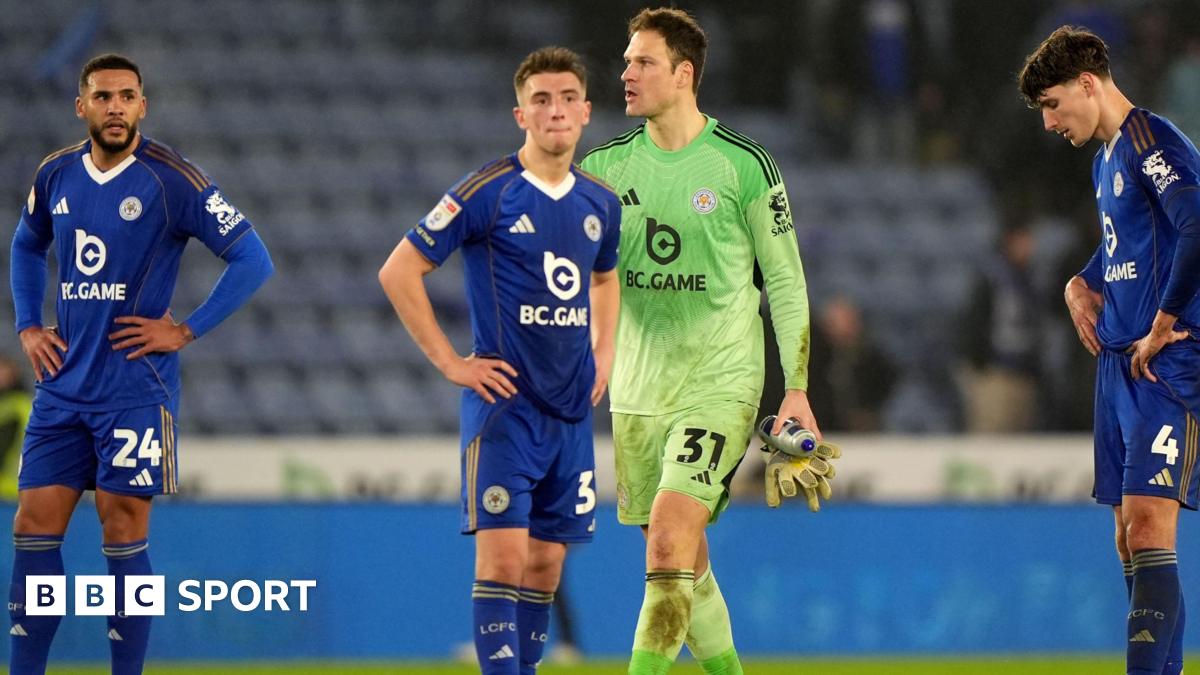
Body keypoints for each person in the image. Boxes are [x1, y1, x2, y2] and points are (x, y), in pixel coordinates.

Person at [7, 54, 274, 674]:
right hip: (62, 388)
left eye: (127, 96)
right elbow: (27, 243)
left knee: (122, 528)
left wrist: (186, 329)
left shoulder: (170, 178)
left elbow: (253, 258)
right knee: (32, 524)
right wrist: (26, 324)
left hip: (134, 388)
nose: (116, 107)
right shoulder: (55, 174)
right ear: (83, 106)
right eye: (103, 97)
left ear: (143, 106)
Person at [580, 8, 827, 674]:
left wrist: (797, 389)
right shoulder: (601, 168)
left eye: (643, 62)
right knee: (684, 560)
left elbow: (786, 279)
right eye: (627, 60)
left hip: (720, 380)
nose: (626, 73)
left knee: (666, 541)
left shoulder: (742, 166)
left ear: (684, 74)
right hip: (636, 390)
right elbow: (586, 277)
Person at [378, 46, 620, 675]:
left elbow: (604, 279)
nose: (556, 110)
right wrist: (451, 362)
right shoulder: (486, 191)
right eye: (541, 99)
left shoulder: (601, 203)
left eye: (568, 98)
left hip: (570, 416)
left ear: (587, 111)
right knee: (503, 562)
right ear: (521, 115)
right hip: (504, 412)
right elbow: (399, 270)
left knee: (546, 565)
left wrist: (606, 350)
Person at [1019, 26, 1200, 675]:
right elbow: (1127, 246)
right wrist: (1079, 282)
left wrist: (1165, 319)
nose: (1048, 123)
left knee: (1150, 527)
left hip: (1168, 360)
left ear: (1088, 84)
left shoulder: (1152, 141)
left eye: (1052, 105)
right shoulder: (1105, 160)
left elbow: (1195, 221)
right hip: (1120, 366)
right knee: (1128, 537)